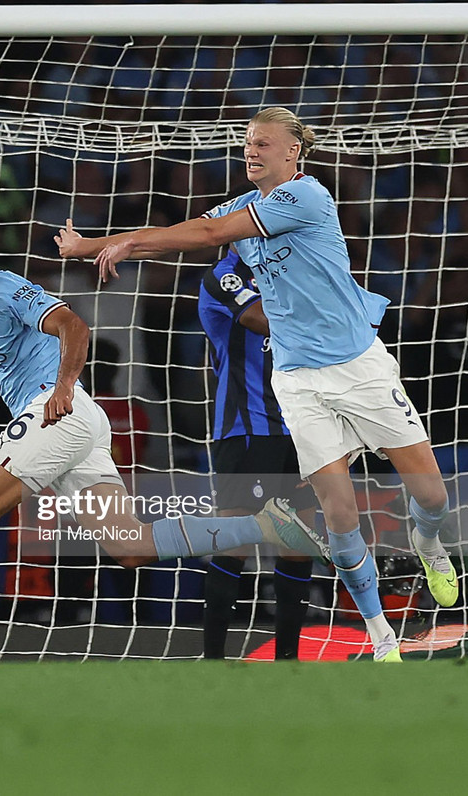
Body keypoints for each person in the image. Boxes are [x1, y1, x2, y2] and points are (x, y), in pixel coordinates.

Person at [57, 106, 460, 662]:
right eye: (247, 143)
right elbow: (196, 235)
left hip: (359, 366)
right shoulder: (238, 212)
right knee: (334, 515)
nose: (250, 151)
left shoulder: (308, 197)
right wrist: (101, 244)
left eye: (263, 144)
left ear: (293, 152)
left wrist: (122, 241)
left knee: (431, 494)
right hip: (296, 381)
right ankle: (380, 634)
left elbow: (212, 232)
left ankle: (428, 540)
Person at [0, 223, 328, 666]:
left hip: (57, 410)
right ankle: (267, 525)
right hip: (71, 425)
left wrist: (63, 386)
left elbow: (72, 326)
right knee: (129, 545)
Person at [197, 250, 317, 660]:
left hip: (302, 429)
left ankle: (287, 659)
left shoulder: (295, 267)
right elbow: (256, 318)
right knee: (235, 542)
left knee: (299, 541)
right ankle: (213, 659)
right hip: (247, 429)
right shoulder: (223, 275)